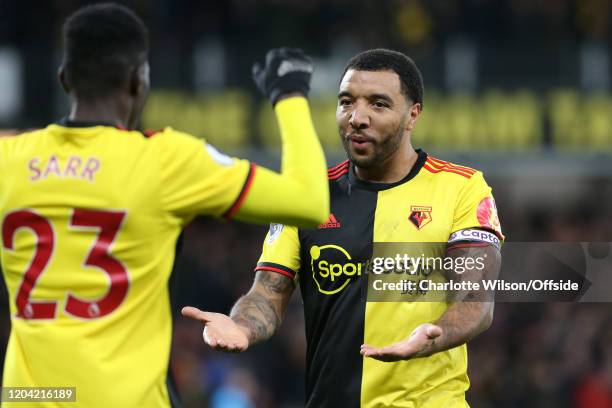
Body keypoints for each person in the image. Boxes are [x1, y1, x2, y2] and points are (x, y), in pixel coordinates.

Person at [0, 3, 329, 408]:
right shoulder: (166, 160)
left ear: (64, 78)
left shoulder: (9, 158)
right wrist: (290, 96)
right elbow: (310, 202)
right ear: (140, 81)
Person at [183, 49, 504, 407]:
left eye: (379, 104)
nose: (357, 118)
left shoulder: (462, 187)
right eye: (346, 102)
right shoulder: (309, 199)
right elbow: (267, 295)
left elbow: (476, 299)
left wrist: (436, 334)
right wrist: (241, 325)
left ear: (413, 114)